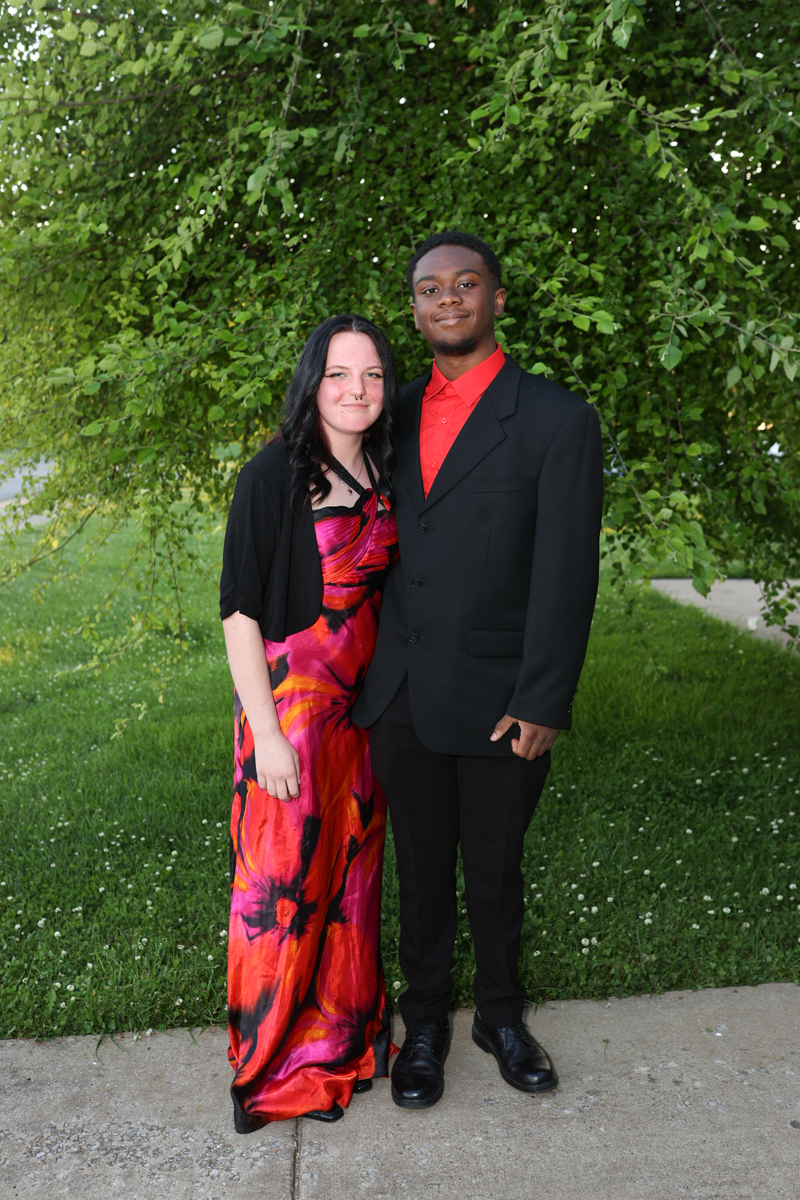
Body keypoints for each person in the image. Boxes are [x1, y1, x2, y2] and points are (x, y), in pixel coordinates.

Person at [353, 231, 604, 1109]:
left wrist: (545, 697)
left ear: (497, 299)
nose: (448, 298)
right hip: (403, 693)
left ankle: (501, 1017)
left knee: (495, 872)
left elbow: (566, 573)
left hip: (504, 698)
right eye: (430, 288)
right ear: (414, 309)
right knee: (420, 873)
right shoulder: (388, 416)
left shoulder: (556, 420)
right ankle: (423, 1024)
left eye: (466, 284)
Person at [219, 314, 399, 1129]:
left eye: (372, 374)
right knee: (285, 888)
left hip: (363, 718)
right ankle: (274, 1067)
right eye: (338, 374)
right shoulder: (272, 475)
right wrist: (266, 734)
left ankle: (340, 1047)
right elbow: (239, 612)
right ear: (311, 384)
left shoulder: (388, 471)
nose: (357, 389)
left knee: (351, 883)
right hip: (291, 713)